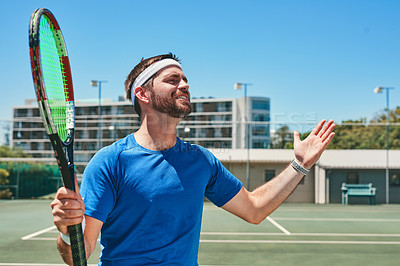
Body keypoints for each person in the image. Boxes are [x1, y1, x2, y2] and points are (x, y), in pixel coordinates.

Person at [51, 53, 335, 265]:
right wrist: (66, 231)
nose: (185, 85)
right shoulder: (110, 162)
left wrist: (300, 165)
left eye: (185, 79)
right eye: (172, 80)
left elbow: (255, 210)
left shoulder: (201, 161)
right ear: (142, 93)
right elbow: (80, 255)